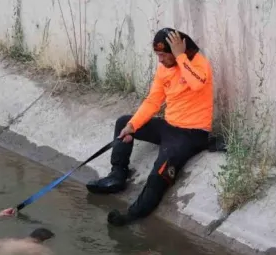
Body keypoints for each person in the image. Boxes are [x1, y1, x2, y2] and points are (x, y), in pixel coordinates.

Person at [87, 28, 214, 226]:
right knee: (123, 122)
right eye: (158, 55)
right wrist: (132, 125)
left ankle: (132, 214)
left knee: (160, 170)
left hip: (191, 133)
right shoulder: (164, 69)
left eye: (164, 55)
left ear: (177, 50)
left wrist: (181, 57)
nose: (160, 60)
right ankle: (117, 176)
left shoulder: (198, 63)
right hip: (169, 125)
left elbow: (197, 84)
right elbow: (153, 101)